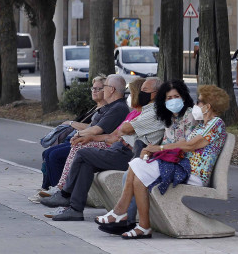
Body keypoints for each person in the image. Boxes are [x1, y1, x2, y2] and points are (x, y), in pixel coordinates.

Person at [97, 84, 229, 239]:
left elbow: (189, 145)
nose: (196, 105)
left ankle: (121, 211)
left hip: (192, 173)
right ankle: (141, 226)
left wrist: (159, 148)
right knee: (139, 176)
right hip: (182, 167)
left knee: (137, 165)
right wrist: (155, 150)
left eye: (199, 102)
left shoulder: (216, 123)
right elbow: (183, 145)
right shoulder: (202, 125)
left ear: (207, 106)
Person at [44, 77, 165, 221]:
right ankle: (75, 209)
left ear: (156, 93)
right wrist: (91, 138)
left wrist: (123, 130)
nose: (140, 93)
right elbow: (116, 134)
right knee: (85, 161)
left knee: (83, 153)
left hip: (129, 155)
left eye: (145, 90)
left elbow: (125, 128)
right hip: (119, 148)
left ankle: (65, 195)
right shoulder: (144, 110)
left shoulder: (155, 112)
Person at [36, 75, 108, 199]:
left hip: (88, 142)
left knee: (54, 155)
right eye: (93, 88)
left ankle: (58, 194)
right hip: (78, 139)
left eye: (98, 88)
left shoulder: (107, 109)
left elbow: (94, 129)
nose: (94, 91)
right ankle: (46, 188)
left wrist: (71, 123)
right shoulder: (94, 108)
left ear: (106, 90)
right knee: (47, 153)